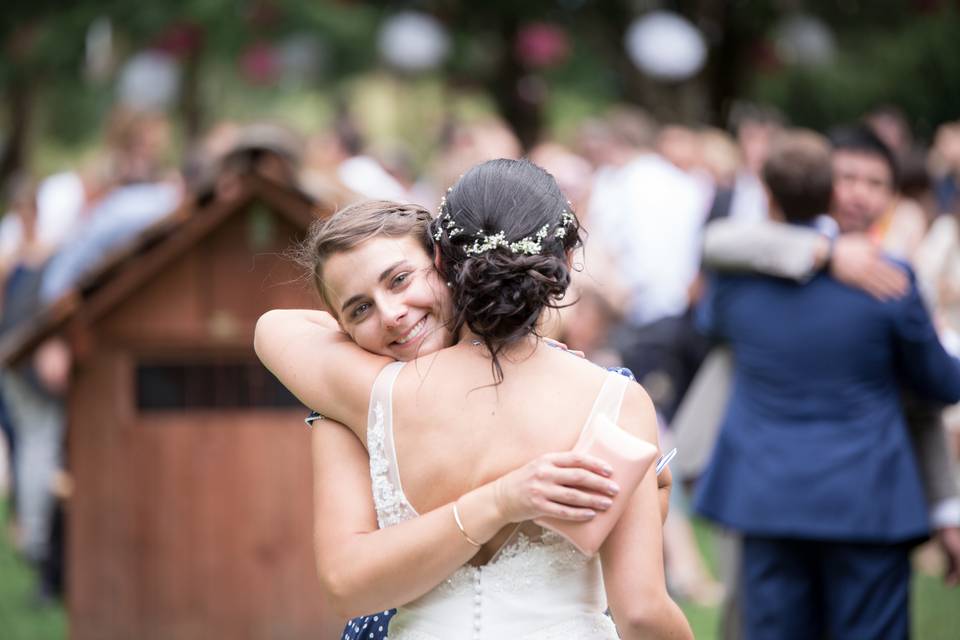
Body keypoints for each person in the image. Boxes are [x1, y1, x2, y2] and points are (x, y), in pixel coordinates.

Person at [257, 160, 691, 639]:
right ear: (564, 262)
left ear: (442, 263)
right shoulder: (611, 397)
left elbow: (274, 328)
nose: (392, 316)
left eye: (400, 279)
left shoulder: (368, 395)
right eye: (358, 310)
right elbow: (644, 611)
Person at [694, 130, 960, 639]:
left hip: (767, 494)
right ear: (828, 189)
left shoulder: (736, 281)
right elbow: (944, 386)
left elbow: (711, 321)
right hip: (868, 498)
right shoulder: (891, 279)